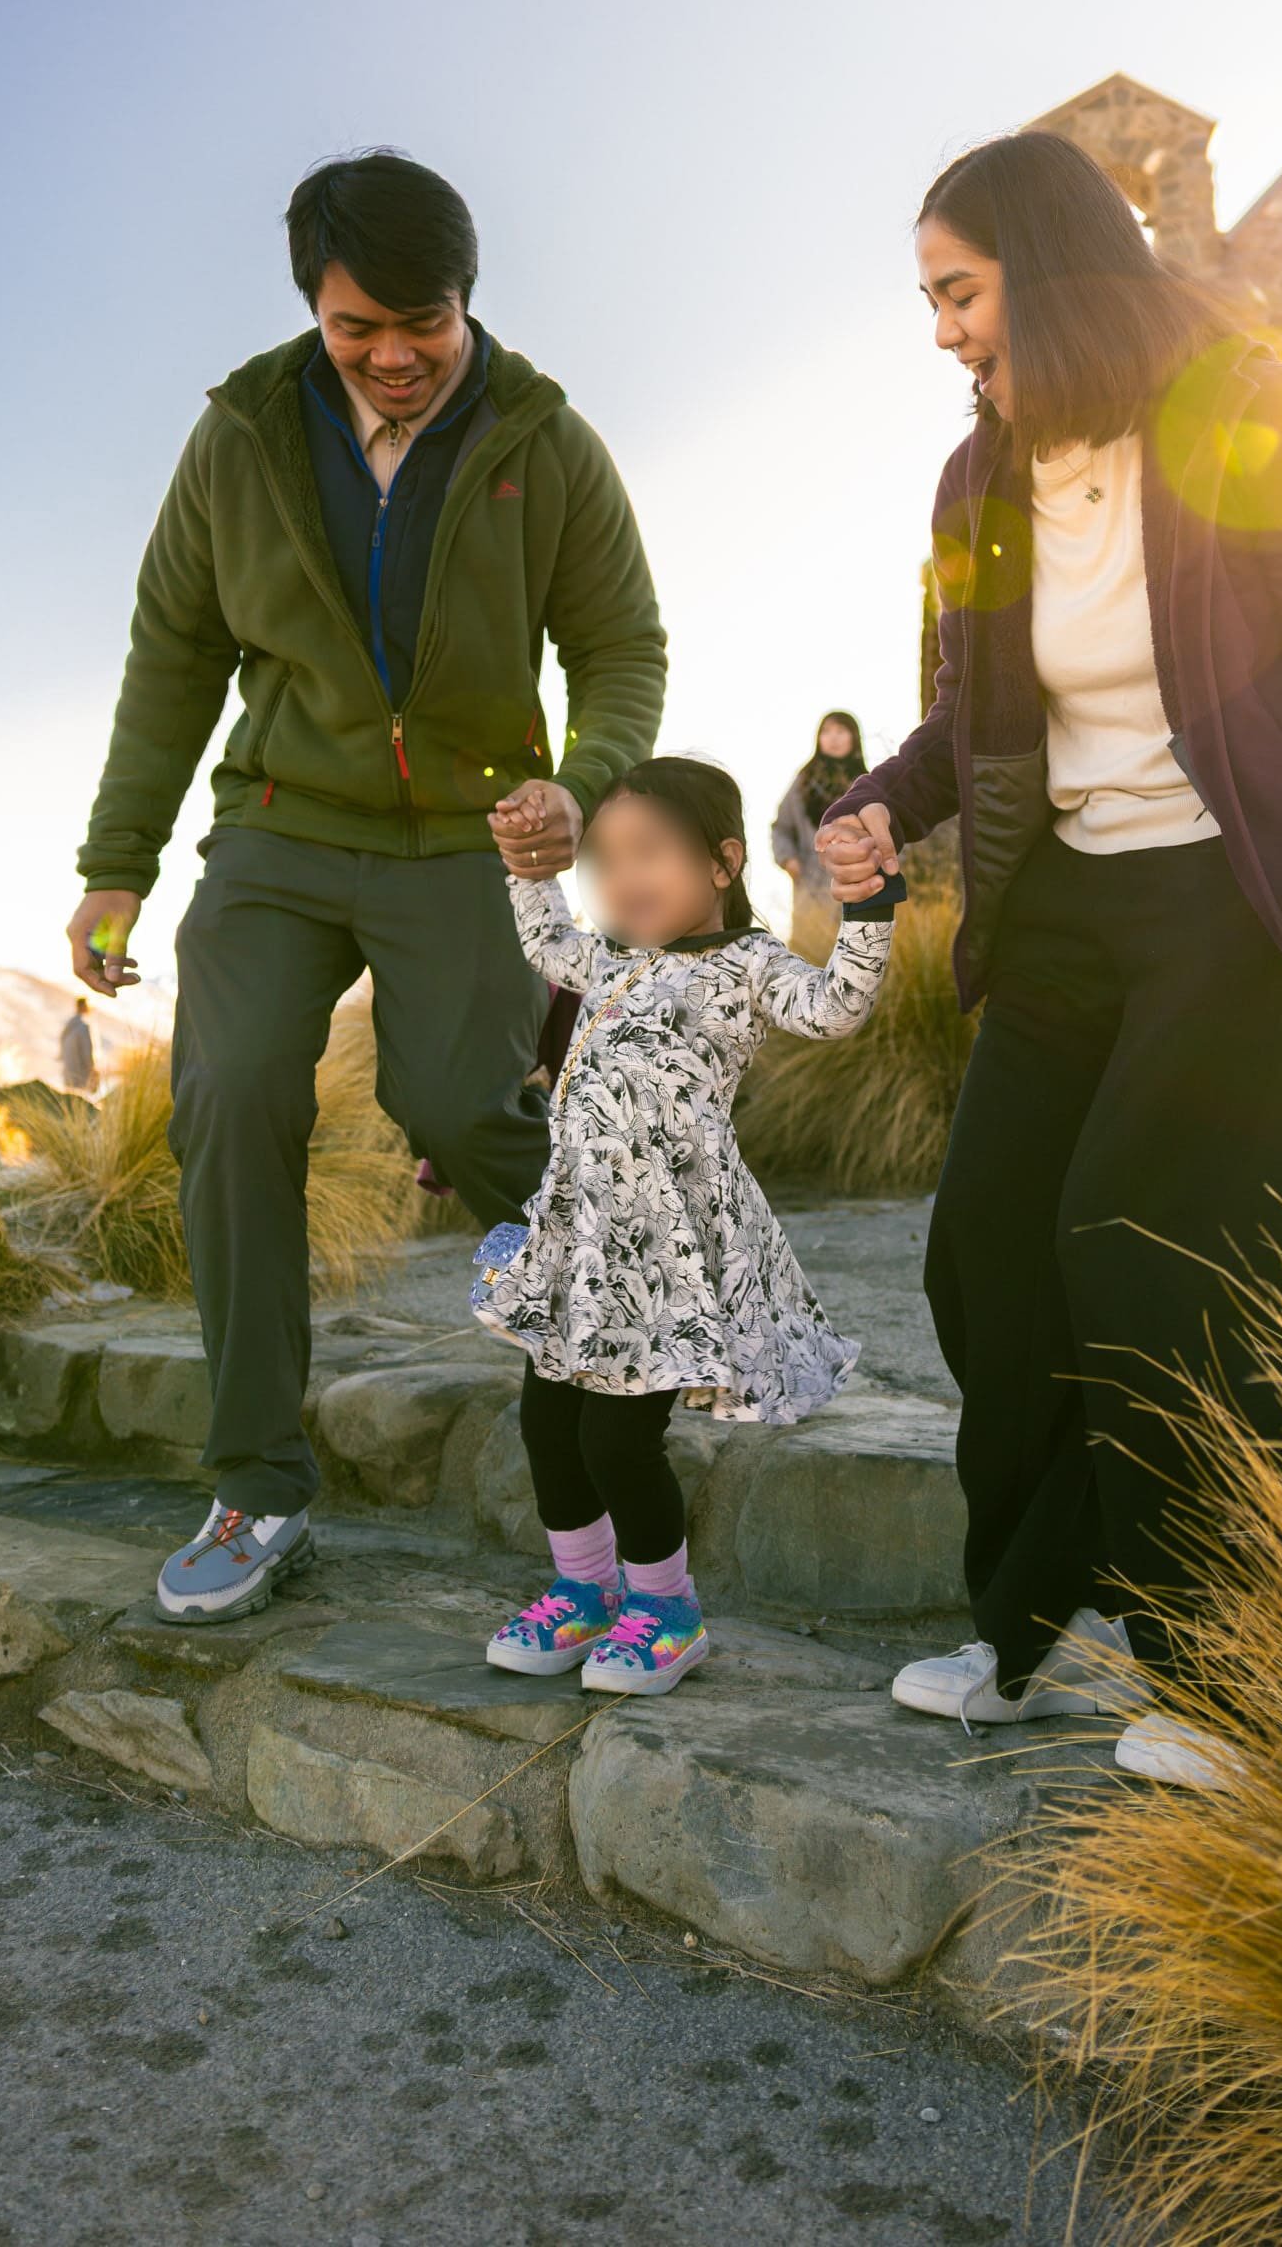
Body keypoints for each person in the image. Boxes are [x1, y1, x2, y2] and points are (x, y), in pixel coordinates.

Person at [819, 131, 1282, 1786]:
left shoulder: (1238, 404)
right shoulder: (978, 480)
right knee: (993, 1256)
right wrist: (881, 802)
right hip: (1066, 918)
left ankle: (1232, 1677)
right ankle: (1029, 1621)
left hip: (1231, 910)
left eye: (958, 291)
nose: (943, 331)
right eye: (931, 302)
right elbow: (970, 714)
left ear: (1051, 264)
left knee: (1171, 1274)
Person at [64, 148, 667, 1625]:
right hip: (278, 828)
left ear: (466, 302)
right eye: (358, 329)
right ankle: (258, 1488)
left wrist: (573, 785)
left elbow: (624, 648)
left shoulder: (543, 437)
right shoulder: (244, 437)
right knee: (235, 1090)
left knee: (464, 1105)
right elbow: (171, 660)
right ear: (313, 315)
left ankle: (643, 1308)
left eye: (426, 322)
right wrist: (113, 871)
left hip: (465, 835)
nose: (395, 356)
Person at [471, 756, 900, 1694]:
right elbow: (545, 940)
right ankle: (583, 1593)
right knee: (549, 1421)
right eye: (607, 860)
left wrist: (868, 906)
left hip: (665, 1251)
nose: (624, 878)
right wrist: (527, 866)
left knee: (615, 1441)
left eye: (650, 854)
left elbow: (834, 1009)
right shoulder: (606, 957)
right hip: (582, 1240)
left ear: (722, 863)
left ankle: (665, 1612)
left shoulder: (746, 965)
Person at [770, 711, 866, 956]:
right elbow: (781, 827)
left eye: (840, 731)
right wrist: (789, 860)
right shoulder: (804, 782)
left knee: (854, 957)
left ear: (854, 737)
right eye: (827, 732)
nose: (833, 738)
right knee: (809, 958)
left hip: (856, 886)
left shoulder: (866, 784)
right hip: (810, 886)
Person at [59, 998, 97, 1096]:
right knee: (78, 1098)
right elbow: (87, 1052)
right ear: (83, 1007)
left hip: (68, 1067)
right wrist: (92, 1068)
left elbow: (62, 1042)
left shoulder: (70, 1023)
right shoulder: (84, 1027)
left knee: (68, 1094)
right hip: (79, 1070)